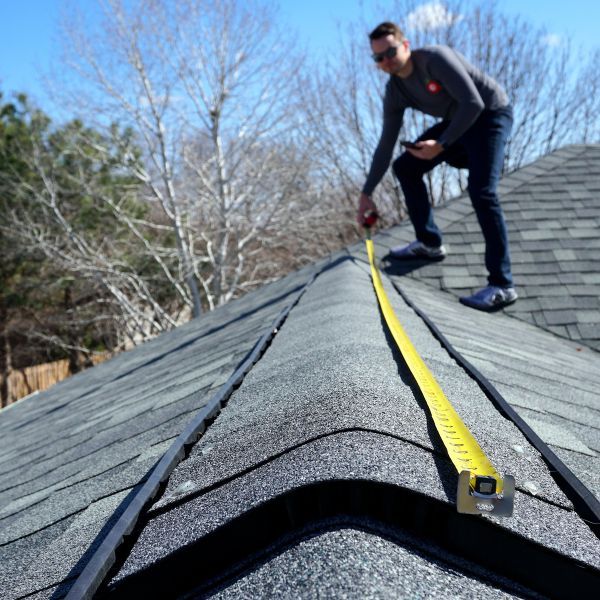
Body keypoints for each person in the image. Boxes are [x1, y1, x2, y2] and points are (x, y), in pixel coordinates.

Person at [357, 21, 517, 311]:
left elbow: (473, 103)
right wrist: (366, 193)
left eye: (390, 52)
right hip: (457, 123)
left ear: (405, 45)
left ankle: (502, 285)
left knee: (482, 192)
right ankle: (429, 243)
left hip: (490, 115)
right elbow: (385, 143)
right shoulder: (395, 90)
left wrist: (441, 145)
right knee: (405, 167)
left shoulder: (434, 59)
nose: (386, 61)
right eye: (378, 57)